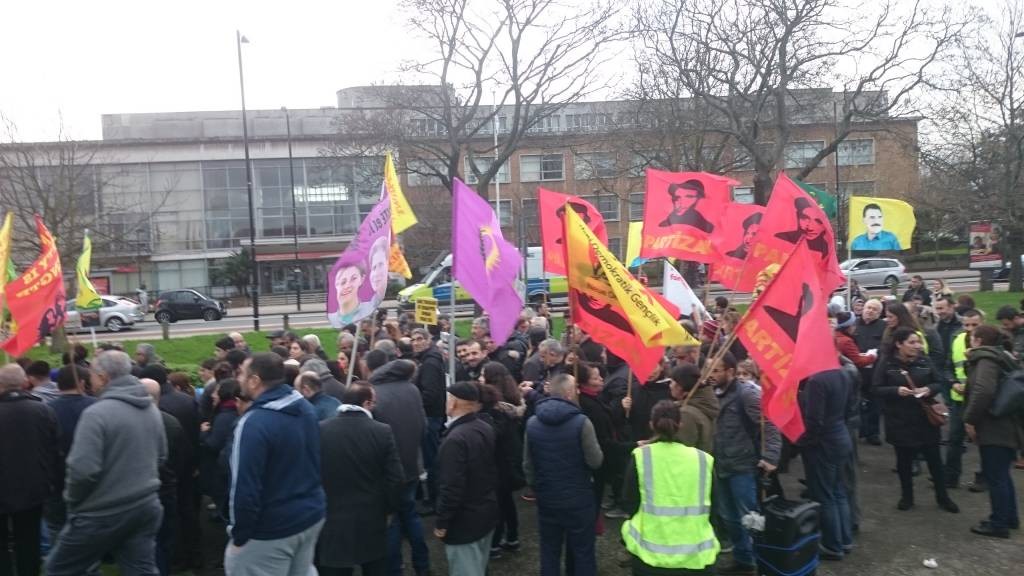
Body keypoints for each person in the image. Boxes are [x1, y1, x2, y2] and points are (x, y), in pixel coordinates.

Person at [46, 351, 167, 576]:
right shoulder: (150, 408)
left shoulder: (96, 414)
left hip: (101, 513)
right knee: (140, 569)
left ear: (102, 377)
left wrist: (73, 501)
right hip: (145, 505)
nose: (90, 380)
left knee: (59, 569)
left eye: (92, 374)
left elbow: (82, 470)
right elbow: (161, 456)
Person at [226, 353, 325, 576]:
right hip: (310, 516)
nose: (238, 378)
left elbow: (244, 487)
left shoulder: (253, 423)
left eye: (242, 373)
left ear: (254, 381)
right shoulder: (305, 407)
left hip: (271, 530)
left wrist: (240, 536)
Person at [621, 400, 719, 575]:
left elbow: (629, 502)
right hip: (696, 556)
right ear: (680, 425)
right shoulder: (703, 460)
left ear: (651, 425)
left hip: (649, 556)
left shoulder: (641, 457)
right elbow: (715, 506)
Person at [318, 382, 405, 575]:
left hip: (331, 517)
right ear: (366, 403)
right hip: (371, 516)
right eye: (374, 402)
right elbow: (396, 478)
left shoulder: (321, 429)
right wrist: (390, 509)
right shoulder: (382, 431)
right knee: (374, 567)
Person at [524, 374, 604, 576]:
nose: (578, 391)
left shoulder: (533, 422)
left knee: (549, 550)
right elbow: (595, 461)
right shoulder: (582, 422)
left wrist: (536, 487)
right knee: (583, 552)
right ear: (569, 393)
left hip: (548, 497)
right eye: (575, 388)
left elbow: (527, 464)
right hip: (579, 498)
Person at [710, 353, 781, 576]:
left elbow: (768, 425)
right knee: (729, 516)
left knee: (750, 518)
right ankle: (743, 559)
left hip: (742, 465)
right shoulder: (712, 392)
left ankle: (762, 562)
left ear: (730, 371)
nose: (711, 375)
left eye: (716, 370)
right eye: (709, 370)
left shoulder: (747, 393)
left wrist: (770, 457)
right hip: (720, 464)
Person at [873, 328, 959, 513]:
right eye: (912, 342)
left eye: (918, 342)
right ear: (899, 344)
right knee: (904, 462)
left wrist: (928, 389)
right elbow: (876, 388)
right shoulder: (887, 363)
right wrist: (896, 391)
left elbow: (938, 382)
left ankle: (943, 497)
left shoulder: (924, 361)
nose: (917, 346)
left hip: (925, 419)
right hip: (900, 420)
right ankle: (907, 497)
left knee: (934, 461)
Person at [369, 357, 430, 576]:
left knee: (392, 522)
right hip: (412, 465)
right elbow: (423, 427)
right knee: (411, 515)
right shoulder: (412, 389)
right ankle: (422, 565)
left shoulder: (374, 393)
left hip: (388, 471)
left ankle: (395, 569)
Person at [0, 364, 60, 576]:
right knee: (29, 541)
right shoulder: (43, 410)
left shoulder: (41, 409)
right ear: (25, 382)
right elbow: (54, 447)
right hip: (33, 488)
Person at [434, 381, 499, 576]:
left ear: (453, 403)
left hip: (464, 523)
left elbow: (451, 486)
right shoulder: (483, 427)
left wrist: (442, 522)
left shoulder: (455, 440)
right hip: (485, 513)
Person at [963, 325, 1022, 538]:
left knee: (996, 476)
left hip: (994, 428)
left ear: (978, 340)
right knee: (1003, 476)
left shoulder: (985, 360)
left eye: (971, 336)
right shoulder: (1001, 357)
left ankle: (998, 523)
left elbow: (983, 390)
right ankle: (1009, 517)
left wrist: (969, 420)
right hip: (1007, 426)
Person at [797, 365, 856, 560]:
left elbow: (815, 421)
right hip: (840, 437)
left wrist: (802, 443)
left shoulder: (816, 381)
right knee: (838, 492)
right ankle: (845, 540)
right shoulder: (842, 373)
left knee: (824, 495)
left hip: (824, 444)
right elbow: (849, 408)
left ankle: (832, 545)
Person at [140, 377, 186, 576]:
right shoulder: (171, 422)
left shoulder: (134, 423)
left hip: (145, 489)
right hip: (168, 486)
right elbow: (182, 456)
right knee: (166, 536)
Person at [943, 308, 982, 489]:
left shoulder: (989, 341)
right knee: (954, 439)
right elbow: (948, 366)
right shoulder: (957, 339)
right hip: (959, 398)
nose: (970, 328)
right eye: (966, 324)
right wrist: (953, 383)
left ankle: (984, 478)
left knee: (984, 441)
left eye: (975, 324)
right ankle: (950, 477)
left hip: (980, 400)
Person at [199, 377, 240, 517]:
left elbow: (214, 444)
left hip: (218, 469)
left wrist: (203, 433)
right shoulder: (230, 411)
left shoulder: (225, 416)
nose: (212, 395)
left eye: (216, 392)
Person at [667, 364, 719, 453]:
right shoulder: (703, 405)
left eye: (672, 382)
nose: (670, 386)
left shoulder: (686, 414)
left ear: (680, 386)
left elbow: (682, 449)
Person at [855, 299, 886, 445]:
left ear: (879, 313)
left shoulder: (883, 327)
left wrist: (876, 353)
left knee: (874, 403)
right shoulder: (854, 324)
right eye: (868, 307)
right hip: (857, 370)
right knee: (857, 402)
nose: (870, 311)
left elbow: (885, 346)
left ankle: (873, 433)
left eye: (874, 309)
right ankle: (860, 430)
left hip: (875, 371)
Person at [774, 197, 830, 261]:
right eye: (804, 218)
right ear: (798, 218)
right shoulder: (782, 238)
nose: (810, 227)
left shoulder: (826, 248)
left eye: (818, 221)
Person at [328, 263, 375, 327]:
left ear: (362, 279)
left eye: (353, 279)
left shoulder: (369, 311)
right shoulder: (332, 318)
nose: (347, 286)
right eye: (342, 282)